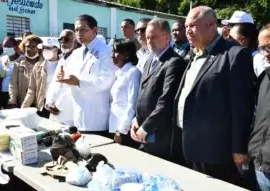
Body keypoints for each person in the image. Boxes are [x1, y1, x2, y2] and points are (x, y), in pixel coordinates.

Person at [171, 6, 254, 185]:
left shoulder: (235, 55)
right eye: (186, 27)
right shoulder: (195, 55)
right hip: (189, 146)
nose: (187, 31)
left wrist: (239, 149)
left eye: (192, 25)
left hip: (216, 152)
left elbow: (242, 107)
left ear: (210, 25)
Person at [130, 18, 187, 160]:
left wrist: (145, 128)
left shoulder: (174, 62)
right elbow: (142, 94)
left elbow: (166, 101)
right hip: (143, 132)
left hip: (161, 136)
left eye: (154, 37)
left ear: (167, 37)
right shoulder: (149, 60)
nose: (149, 41)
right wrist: (136, 120)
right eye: (147, 37)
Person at [56, 14, 115, 135]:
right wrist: (64, 78)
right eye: (77, 30)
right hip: (77, 114)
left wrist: (79, 83)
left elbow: (106, 81)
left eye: (83, 30)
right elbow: (72, 78)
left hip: (96, 116)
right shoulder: (76, 53)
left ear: (94, 30)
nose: (79, 33)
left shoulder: (105, 51)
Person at [248, 24, 270, 191]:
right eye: (262, 49)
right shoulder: (264, 78)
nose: (265, 54)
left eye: (268, 47)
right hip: (259, 166)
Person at [109, 39, 141, 147]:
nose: (112, 55)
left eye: (116, 52)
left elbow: (132, 104)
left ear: (126, 54)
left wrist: (120, 131)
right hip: (115, 127)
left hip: (124, 131)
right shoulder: (119, 73)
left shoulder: (133, 73)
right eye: (112, 52)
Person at [21, 38, 60, 118]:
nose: (45, 50)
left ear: (56, 49)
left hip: (58, 107)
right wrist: (23, 109)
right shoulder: (38, 66)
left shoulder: (64, 65)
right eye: (44, 48)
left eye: (48, 48)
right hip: (42, 106)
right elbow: (31, 89)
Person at [46, 29, 76, 125]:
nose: (63, 41)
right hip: (54, 110)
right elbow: (54, 84)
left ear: (75, 42)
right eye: (60, 39)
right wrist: (49, 102)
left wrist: (58, 105)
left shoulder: (78, 60)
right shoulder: (61, 60)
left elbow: (73, 87)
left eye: (67, 39)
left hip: (68, 113)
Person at [9, 35, 43, 108]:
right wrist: (13, 100)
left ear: (39, 48)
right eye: (27, 46)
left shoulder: (44, 62)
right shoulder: (18, 62)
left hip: (39, 103)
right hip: (23, 101)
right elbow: (13, 83)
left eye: (33, 46)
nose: (29, 49)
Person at [0, 37, 22, 109]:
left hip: (16, 93)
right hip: (4, 92)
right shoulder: (3, 59)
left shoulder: (22, 59)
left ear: (15, 46)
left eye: (9, 46)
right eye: (4, 46)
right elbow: (3, 73)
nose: (6, 48)